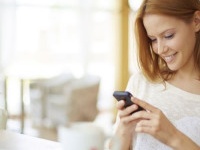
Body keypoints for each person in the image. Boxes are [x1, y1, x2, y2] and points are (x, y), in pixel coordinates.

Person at [111, 0, 200, 149]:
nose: (160, 49)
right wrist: (123, 131)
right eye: (152, 39)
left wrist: (173, 136)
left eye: (168, 35)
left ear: (196, 21)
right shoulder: (141, 82)